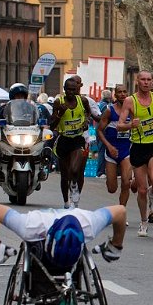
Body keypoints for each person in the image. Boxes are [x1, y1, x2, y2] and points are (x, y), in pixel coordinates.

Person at [0, 203, 127, 305]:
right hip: (42, 249)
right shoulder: (30, 226)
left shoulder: (88, 224)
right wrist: (115, 247)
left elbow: (121, 211)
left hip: (67, 247)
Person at [116, 70, 153, 237]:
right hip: (138, 147)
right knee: (140, 190)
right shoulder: (129, 101)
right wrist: (130, 125)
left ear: (152, 82)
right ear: (137, 81)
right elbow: (119, 125)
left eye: (149, 80)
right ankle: (143, 222)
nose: (146, 82)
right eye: (143, 80)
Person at [50, 78, 91, 209]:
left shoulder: (82, 101)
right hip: (64, 140)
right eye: (68, 89)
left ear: (77, 90)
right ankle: (66, 202)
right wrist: (60, 114)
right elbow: (52, 125)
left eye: (73, 90)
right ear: (64, 89)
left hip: (77, 139)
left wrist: (86, 121)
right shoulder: (58, 102)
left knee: (75, 170)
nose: (71, 92)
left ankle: (74, 186)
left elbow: (88, 113)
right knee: (64, 175)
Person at [96, 84, 133, 209]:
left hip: (126, 150)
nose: (122, 94)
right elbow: (99, 130)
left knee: (126, 183)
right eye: (120, 92)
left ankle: (122, 210)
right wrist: (109, 147)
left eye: (124, 91)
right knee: (112, 188)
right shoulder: (109, 110)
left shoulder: (132, 110)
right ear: (115, 95)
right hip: (111, 151)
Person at [95, 89, 113, 177]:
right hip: (104, 129)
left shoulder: (98, 104)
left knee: (101, 149)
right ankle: (100, 172)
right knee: (102, 150)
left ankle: (101, 171)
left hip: (98, 127)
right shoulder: (106, 106)